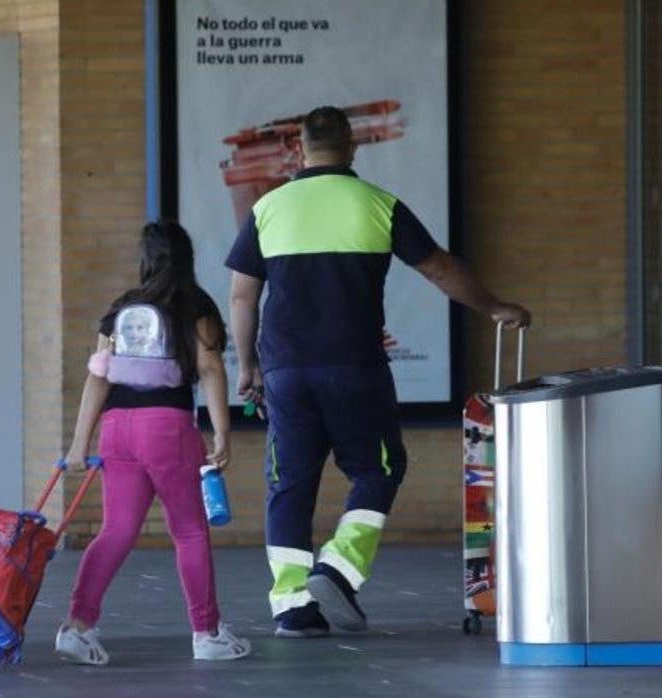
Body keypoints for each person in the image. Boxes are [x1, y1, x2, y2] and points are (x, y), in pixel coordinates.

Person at [225, 106, 531, 638]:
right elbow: (438, 268)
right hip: (354, 369)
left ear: (300, 149)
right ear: (352, 147)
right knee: (378, 470)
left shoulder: (269, 208)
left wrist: (247, 364)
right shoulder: (377, 204)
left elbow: (242, 293)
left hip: (286, 373)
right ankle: (339, 569)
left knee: (289, 484)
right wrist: (495, 306)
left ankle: (292, 606)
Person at [56, 220, 252, 665]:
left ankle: (77, 625)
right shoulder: (194, 304)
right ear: (187, 257)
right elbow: (210, 369)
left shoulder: (122, 309)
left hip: (117, 430)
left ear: (145, 260)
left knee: (117, 530)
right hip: (167, 426)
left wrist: (78, 444)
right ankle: (206, 633)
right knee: (188, 530)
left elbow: (97, 377)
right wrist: (222, 431)